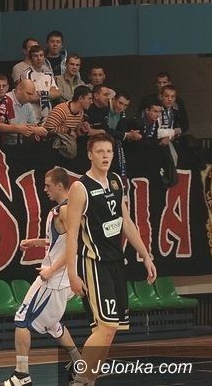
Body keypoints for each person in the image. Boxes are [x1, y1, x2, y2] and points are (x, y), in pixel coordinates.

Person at [65, 133, 156, 386]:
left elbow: (126, 222)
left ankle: (90, 379)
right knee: (105, 326)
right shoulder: (80, 188)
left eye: (109, 151)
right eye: (100, 151)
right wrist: (72, 273)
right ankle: (80, 379)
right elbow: (72, 233)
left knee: (110, 329)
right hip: (94, 262)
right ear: (90, 155)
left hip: (116, 261)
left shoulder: (116, 181)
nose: (105, 156)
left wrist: (145, 255)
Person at [0, 167, 81, 386]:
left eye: (48, 185)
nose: (45, 189)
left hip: (54, 281)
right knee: (53, 325)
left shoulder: (65, 211)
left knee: (22, 320)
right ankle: (79, 362)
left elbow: (73, 247)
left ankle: (22, 376)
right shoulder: (60, 210)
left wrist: (51, 270)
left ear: (60, 185)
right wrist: (36, 242)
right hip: (55, 280)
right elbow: (58, 242)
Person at [21, 44, 60, 123]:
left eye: (41, 55)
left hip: (48, 116)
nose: (39, 58)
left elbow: (57, 93)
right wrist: (47, 95)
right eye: (35, 56)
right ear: (31, 59)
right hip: (32, 116)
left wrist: (41, 94)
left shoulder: (48, 74)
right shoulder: (27, 74)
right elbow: (29, 97)